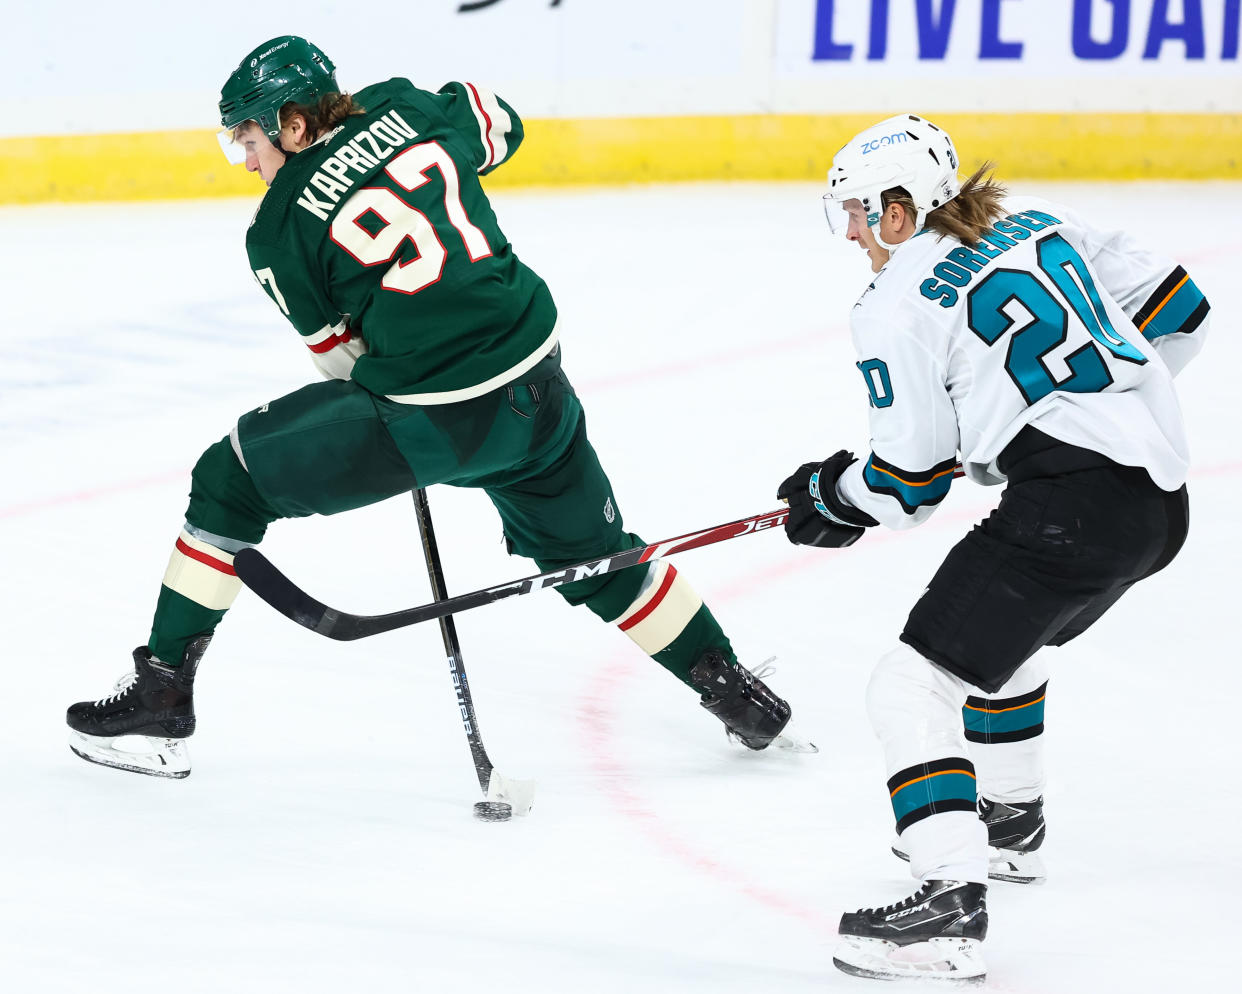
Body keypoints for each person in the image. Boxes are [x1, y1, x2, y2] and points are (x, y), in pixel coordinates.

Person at [66, 35, 809, 779]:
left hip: (438, 423)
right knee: (597, 559)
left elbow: (341, 364)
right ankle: (734, 690)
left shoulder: (278, 228)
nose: (249, 163)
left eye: (250, 141)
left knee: (227, 478)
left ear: (292, 124)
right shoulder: (409, 105)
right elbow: (503, 124)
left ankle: (162, 693)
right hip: (540, 390)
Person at [778, 114, 1208, 981]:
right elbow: (1180, 310)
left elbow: (905, 487)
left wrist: (832, 495)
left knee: (909, 687)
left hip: (1072, 509)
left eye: (858, 215)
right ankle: (1009, 824)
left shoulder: (894, 303)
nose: (853, 235)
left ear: (900, 212)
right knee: (1012, 646)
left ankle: (946, 906)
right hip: (1159, 501)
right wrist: (1081, 407)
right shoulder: (1036, 217)